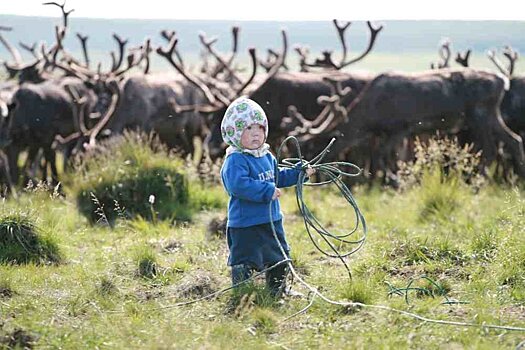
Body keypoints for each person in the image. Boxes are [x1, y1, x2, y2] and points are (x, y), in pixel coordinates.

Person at [220, 97, 315, 297]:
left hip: (271, 221)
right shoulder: (236, 159)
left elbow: (277, 175)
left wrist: (299, 173)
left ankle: (278, 291)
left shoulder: (266, 156)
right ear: (234, 132)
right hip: (245, 224)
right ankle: (242, 293)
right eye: (247, 129)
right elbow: (238, 185)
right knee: (244, 260)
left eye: (260, 128)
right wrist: (265, 191)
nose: (256, 133)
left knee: (279, 256)